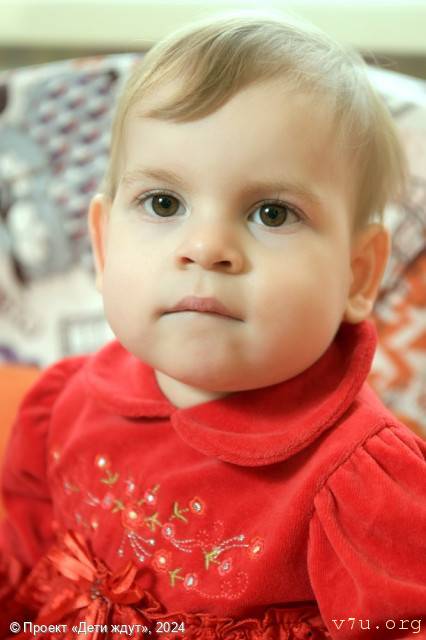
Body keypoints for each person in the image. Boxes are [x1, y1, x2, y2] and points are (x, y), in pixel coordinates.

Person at [1, 10, 425, 640]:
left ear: (357, 275)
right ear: (103, 246)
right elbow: (20, 572)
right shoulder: (62, 404)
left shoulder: (360, 482)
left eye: (272, 213)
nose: (205, 248)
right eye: (163, 202)